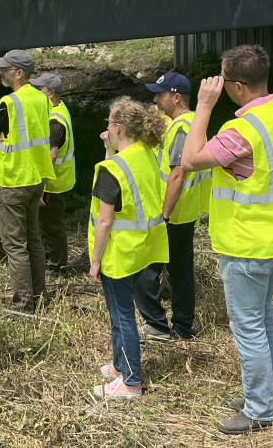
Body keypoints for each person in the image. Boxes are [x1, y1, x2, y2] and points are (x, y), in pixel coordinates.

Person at [181, 45, 273, 435]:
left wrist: (202, 105)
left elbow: (191, 159)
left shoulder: (241, 131)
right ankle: (260, 392)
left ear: (236, 85)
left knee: (248, 325)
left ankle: (260, 411)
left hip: (247, 243)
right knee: (262, 317)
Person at [89, 97, 169, 399]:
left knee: (121, 314)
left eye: (109, 122)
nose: (106, 126)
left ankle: (131, 380)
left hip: (119, 252)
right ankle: (119, 365)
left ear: (118, 127)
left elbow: (105, 222)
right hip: (144, 248)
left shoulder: (109, 171)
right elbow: (122, 168)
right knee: (119, 311)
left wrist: (95, 261)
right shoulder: (144, 153)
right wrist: (110, 148)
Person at [134, 72, 210, 341]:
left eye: (160, 94)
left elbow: (177, 174)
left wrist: (163, 215)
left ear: (176, 97)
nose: (155, 99)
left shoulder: (179, 129)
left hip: (173, 213)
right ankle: (183, 326)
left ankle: (155, 325)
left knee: (144, 268)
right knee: (181, 270)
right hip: (187, 211)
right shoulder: (192, 124)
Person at [0, 50, 55, 311]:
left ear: (19, 73)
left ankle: (23, 303)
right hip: (36, 177)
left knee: (15, 245)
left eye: (5, 69)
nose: (0, 73)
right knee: (34, 240)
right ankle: (40, 296)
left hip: (13, 179)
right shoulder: (43, 100)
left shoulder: (9, 102)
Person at [30, 73, 75, 276]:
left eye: (39, 89)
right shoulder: (59, 111)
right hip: (61, 180)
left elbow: (51, 157)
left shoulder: (54, 121)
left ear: (50, 93)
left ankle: (56, 267)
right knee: (50, 224)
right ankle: (54, 262)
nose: (35, 92)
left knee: (51, 226)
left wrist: (40, 188)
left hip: (53, 184)